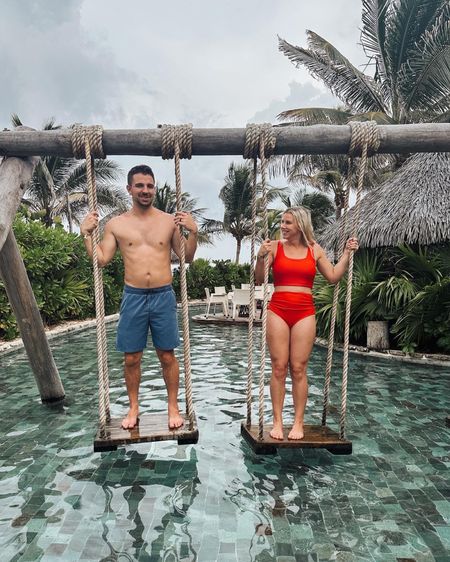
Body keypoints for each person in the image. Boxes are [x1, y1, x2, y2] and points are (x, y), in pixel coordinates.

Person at [80, 164, 198, 430]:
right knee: (131, 358)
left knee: (167, 355)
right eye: (140, 185)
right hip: (133, 296)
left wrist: (193, 232)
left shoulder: (169, 221)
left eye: (150, 186)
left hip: (162, 295)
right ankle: (134, 408)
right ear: (129, 189)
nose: (146, 190)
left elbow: (186, 256)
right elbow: (101, 259)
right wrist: (86, 235)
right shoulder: (116, 224)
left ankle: (173, 406)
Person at [255, 206, 358, 441]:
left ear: (300, 225)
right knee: (279, 367)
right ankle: (278, 421)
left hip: (304, 312)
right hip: (278, 309)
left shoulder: (314, 250)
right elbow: (259, 279)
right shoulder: (274, 247)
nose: (282, 226)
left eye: (287, 222)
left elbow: (332, 277)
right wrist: (261, 257)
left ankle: (298, 422)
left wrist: (346, 254)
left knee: (299, 368)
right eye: (282, 221)